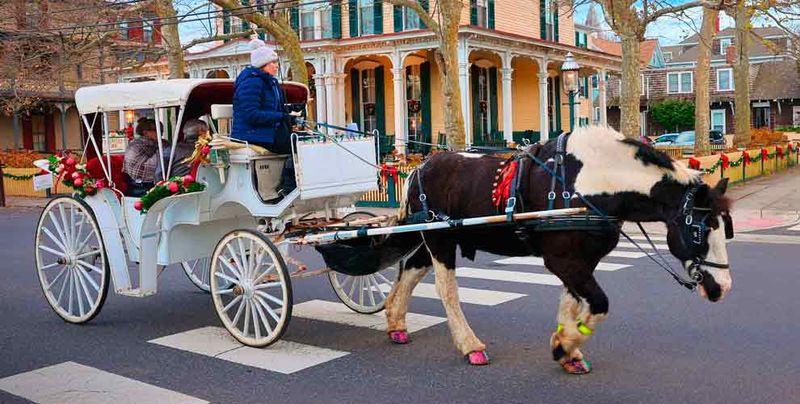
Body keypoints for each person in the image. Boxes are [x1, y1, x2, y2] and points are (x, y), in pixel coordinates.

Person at [232, 39, 300, 199]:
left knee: (307, 141)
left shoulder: (270, 82)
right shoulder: (251, 83)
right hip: (252, 134)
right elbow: (251, 114)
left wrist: (291, 109)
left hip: (267, 131)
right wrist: (282, 116)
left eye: (276, 62)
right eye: (273, 63)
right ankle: (288, 186)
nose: (276, 66)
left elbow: (272, 108)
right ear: (262, 65)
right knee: (300, 145)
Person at [123, 119, 165, 187]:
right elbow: (161, 160)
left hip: (133, 181)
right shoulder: (141, 144)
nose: (161, 133)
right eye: (157, 130)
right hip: (140, 183)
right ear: (145, 132)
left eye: (161, 131)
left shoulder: (137, 143)